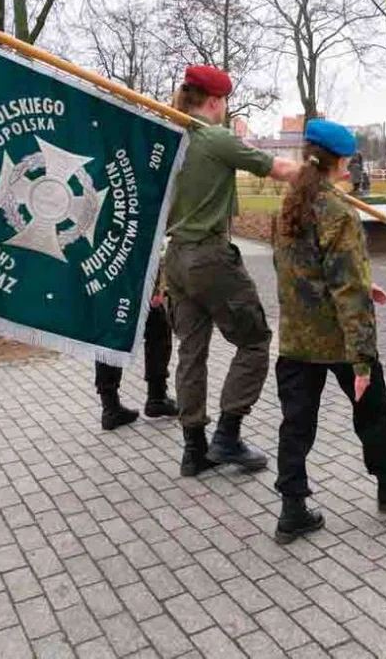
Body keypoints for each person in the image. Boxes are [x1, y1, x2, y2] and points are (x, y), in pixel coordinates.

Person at [271, 119, 386, 544]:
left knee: (296, 424)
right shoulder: (338, 211)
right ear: (341, 161)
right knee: (374, 409)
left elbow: (295, 270)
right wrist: (362, 359)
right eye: (350, 159)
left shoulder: (291, 202)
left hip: (295, 337)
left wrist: (365, 282)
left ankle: (292, 508)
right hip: (339, 340)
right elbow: (347, 290)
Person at [163, 64, 300, 477]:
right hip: (209, 257)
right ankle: (227, 435)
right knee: (255, 340)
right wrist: (319, 172)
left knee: (191, 351)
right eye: (224, 101)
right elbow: (277, 169)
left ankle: (194, 450)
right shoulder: (214, 137)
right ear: (215, 101)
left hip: (177, 259)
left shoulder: (171, 139)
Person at [95, 285, 178, 430]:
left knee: (111, 333)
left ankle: (110, 405)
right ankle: (156, 396)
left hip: (110, 285)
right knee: (157, 324)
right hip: (129, 281)